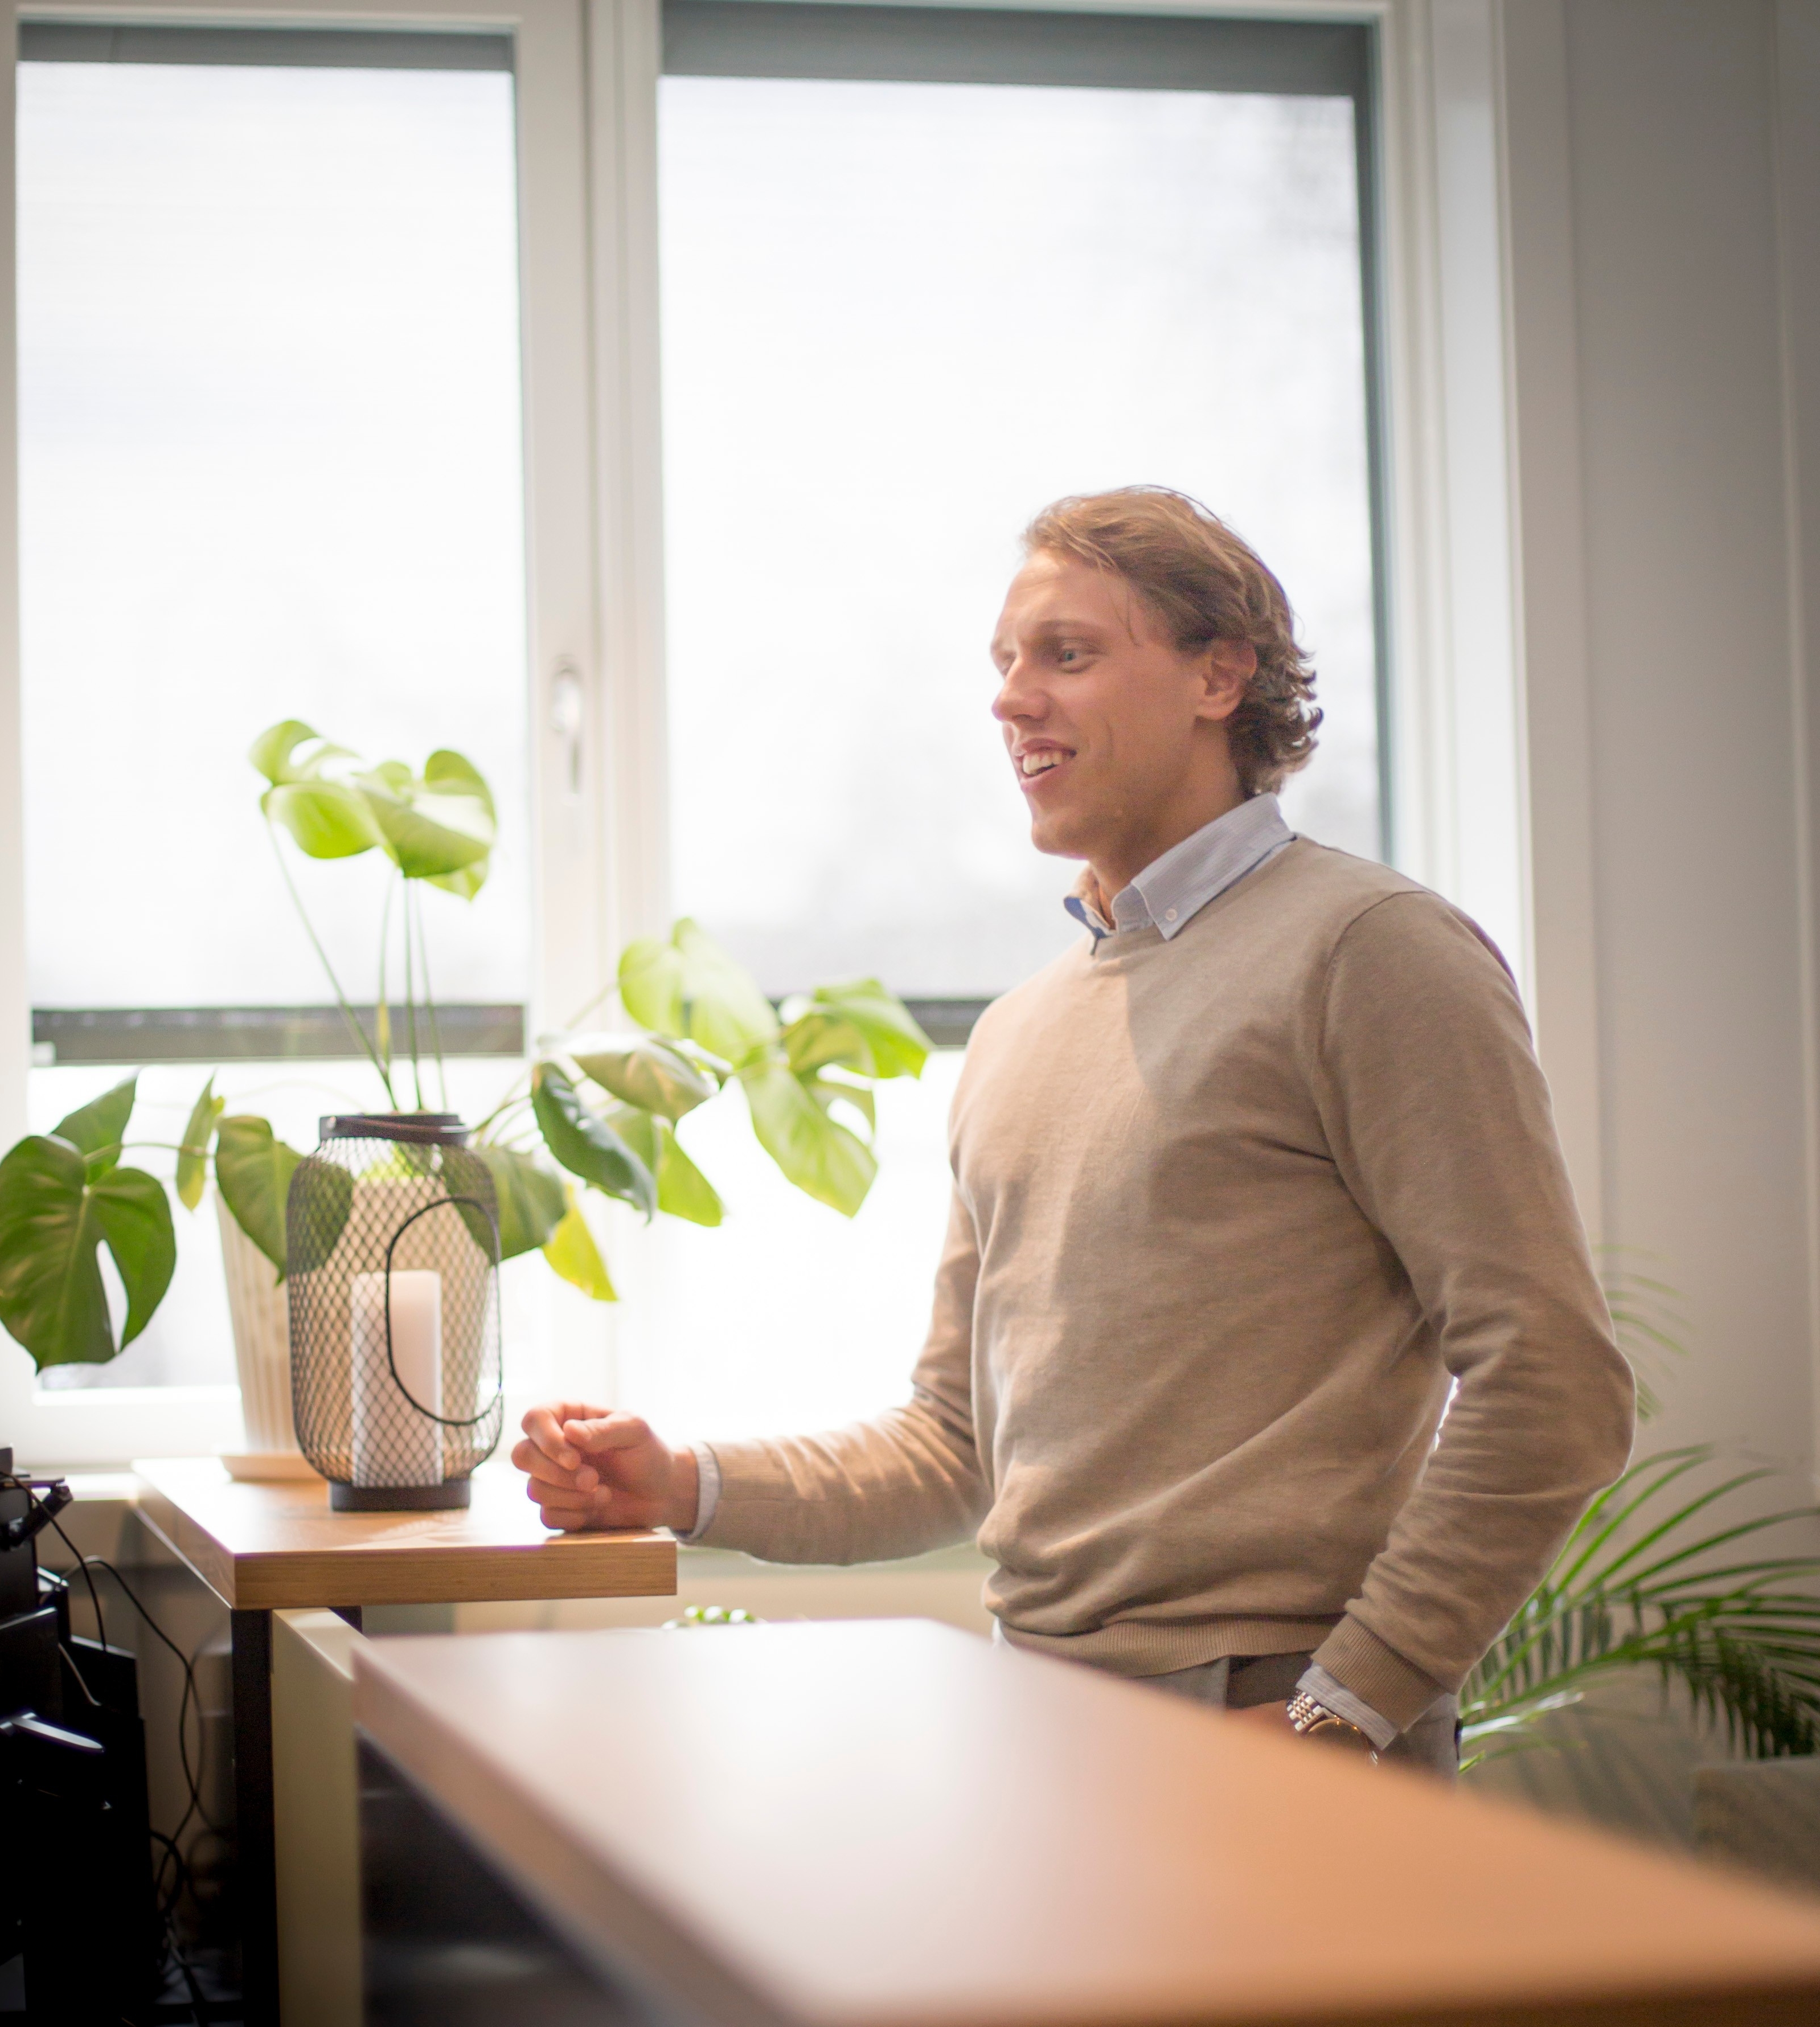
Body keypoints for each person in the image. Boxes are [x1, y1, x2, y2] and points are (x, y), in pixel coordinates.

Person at [514, 486, 1635, 1772]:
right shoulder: (1015, 1031)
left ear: (1219, 676)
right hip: (1036, 1712)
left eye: (1065, 653)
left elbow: (1552, 1379)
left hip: (1268, 1711)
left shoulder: (1370, 951)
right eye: (1003, 661)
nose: (1010, 699)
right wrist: (679, 1484)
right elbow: (956, 1445)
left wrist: (1342, 1706)